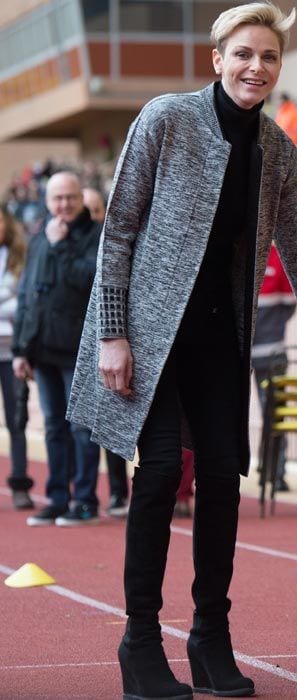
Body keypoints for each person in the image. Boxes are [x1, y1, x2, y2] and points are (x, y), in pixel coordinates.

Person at [66, 4, 297, 699]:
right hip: (148, 336)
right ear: (218, 58)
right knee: (163, 468)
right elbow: (120, 231)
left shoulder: (279, 150)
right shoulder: (166, 118)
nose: (256, 67)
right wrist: (113, 331)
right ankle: (139, 642)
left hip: (222, 338)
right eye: (244, 54)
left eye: (269, 57)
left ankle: (210, 638)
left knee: (225, 477)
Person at [12, 172, 101, 526]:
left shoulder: (95, 235)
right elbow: (27, 296)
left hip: (79, 349)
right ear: (46, 201)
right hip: (43, 349)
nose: (64, 205)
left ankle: (85, 500)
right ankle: (57, 498)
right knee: (52, 427)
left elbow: (89, 280)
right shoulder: (39, 239)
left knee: (82, 427)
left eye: (70, 198)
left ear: (80, 198)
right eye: (57, 199)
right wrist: (21, 348)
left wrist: (62, 246)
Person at [83, 186, 130, 518]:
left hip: (111, 340)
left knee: (113, 422)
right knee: (79, 427)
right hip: (75, 341)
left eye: (94, 209)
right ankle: (82, 495)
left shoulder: (108, 243)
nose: (89, 215)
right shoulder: (51, 239)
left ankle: (118, 492)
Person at [252, 243, 297, 492]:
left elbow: (290, 302)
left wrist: (270, 329)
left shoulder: (277, 257)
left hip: (271, 351)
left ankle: (276, 472)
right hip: (234, 353)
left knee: (274, 413)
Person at [0, 206, 32, 509]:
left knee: (16, 419)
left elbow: (25, 303)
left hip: (13, 350)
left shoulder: (20, 258)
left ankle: (20, 483)